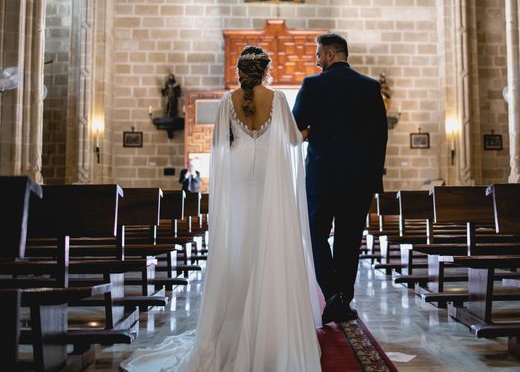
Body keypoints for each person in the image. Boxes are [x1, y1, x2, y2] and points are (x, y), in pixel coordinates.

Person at [120, 46, 322, 372]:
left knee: (240, 248)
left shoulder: (227, 102)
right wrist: (312, 131)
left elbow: (218, 148)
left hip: (241, 178)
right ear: (266, 70)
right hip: (269, 181)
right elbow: (294, 141)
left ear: (242, 70)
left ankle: (233, 326)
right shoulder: (279, 100)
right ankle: (269, 333)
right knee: (268, 245)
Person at [293, 33, 388, 324]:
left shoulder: (312, 85)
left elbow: (295, 127)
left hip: (322, 178)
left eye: (318, 53)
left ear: (331, 54)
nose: (316, 59)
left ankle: (333, 294)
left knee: (316, 235)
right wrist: (374, 181)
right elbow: (380, 137)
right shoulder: (370, 87)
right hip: (358, 181)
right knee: (349, 240)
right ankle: (342, 299)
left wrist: (310, 132)